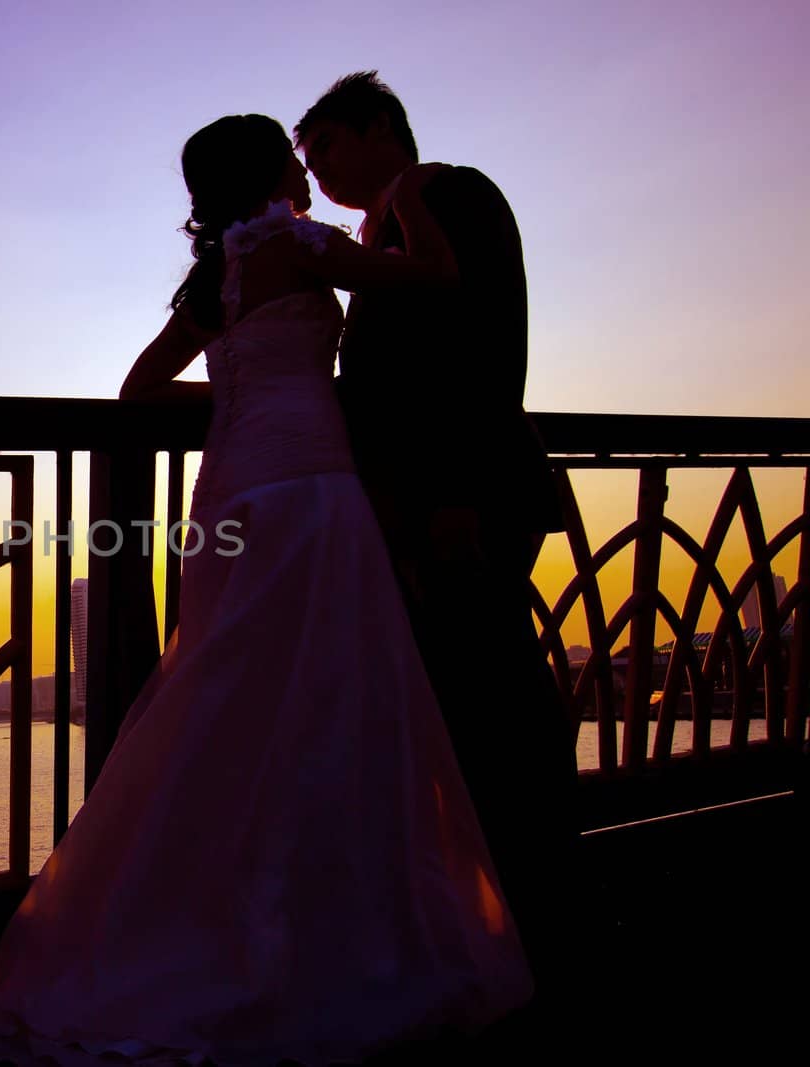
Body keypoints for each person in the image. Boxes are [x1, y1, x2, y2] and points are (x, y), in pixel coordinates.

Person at [0, 113, 533, 1066]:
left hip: (228, 499)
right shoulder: (294, 241)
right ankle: (313, 930)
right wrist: (415, 198)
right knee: (324, 707)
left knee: (222, 705)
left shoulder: (219, 266)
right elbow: (438, 278)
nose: (302, 170)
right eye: (289, 155)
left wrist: (240, 396)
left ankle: (172, 921)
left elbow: (140, 390)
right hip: (309, 491)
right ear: (268, 171)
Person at [295, 72, 578, 1000]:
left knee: (494, 709)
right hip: (416, 507)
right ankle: (493, 920)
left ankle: (543, 922)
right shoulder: (387, 231)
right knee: (463, 709)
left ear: (381, 128)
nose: (317, 168)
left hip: (465, 498)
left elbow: (480, 346)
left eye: (327, 144)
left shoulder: (448, 192)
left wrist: (452, 494)